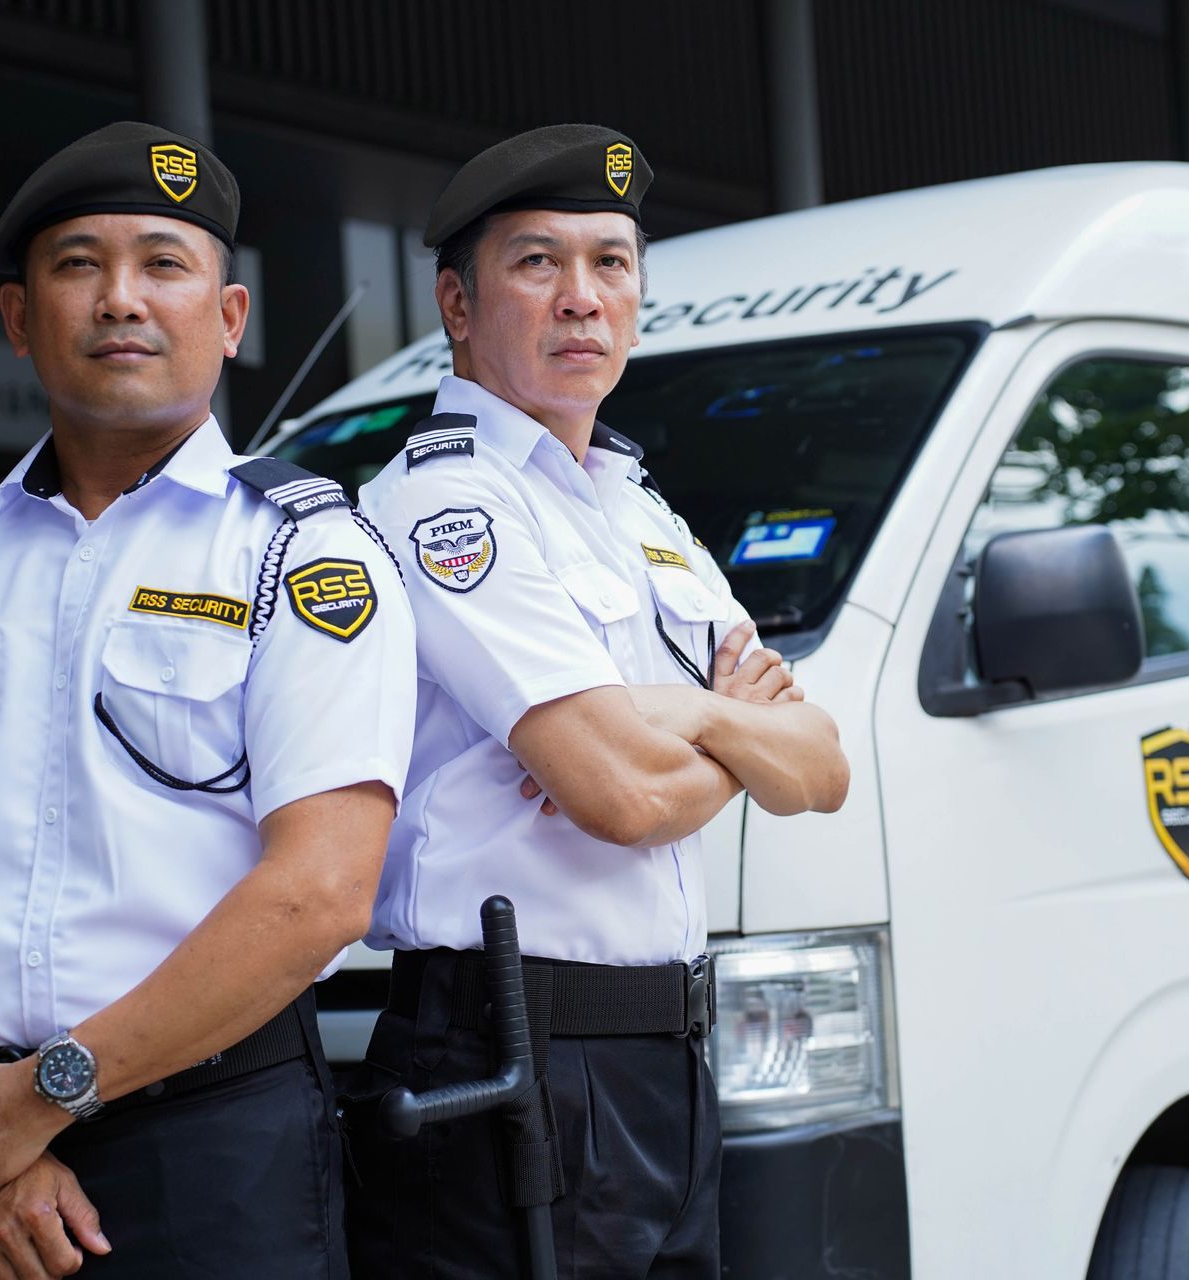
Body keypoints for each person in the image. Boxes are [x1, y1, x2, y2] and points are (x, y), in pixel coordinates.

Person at [0, 121, 414, 1280]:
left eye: (163, 263)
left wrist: (39, 1098)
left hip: (209, 1153)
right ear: (20, 320)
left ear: (228, 318)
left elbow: (322, 887)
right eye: (78, 264)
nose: (120, 297)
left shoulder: (306, 554)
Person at [348, 123, 851, 1278]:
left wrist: (681, 715)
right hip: (508, 1047)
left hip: (663, 1054)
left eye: (612, 262)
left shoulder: (641, 514)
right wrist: (728, 719)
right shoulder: (447, 506)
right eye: (538, 262)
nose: (583, 297)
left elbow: (822, 768)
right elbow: (619, 791)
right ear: (456, 304)